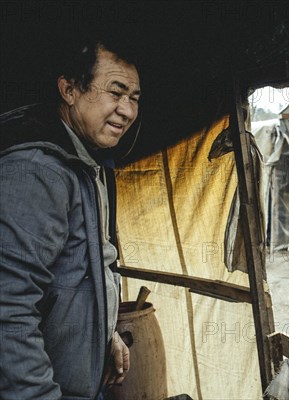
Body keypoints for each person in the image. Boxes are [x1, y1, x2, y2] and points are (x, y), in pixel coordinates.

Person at [0, 39, 141, 399]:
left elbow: (74, 273)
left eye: (134, 98)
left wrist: (102, 334)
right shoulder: (36, 171)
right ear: (69, 90)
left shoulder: (82, 164)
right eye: (116, 92)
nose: (126, 110)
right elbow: (8, 310)